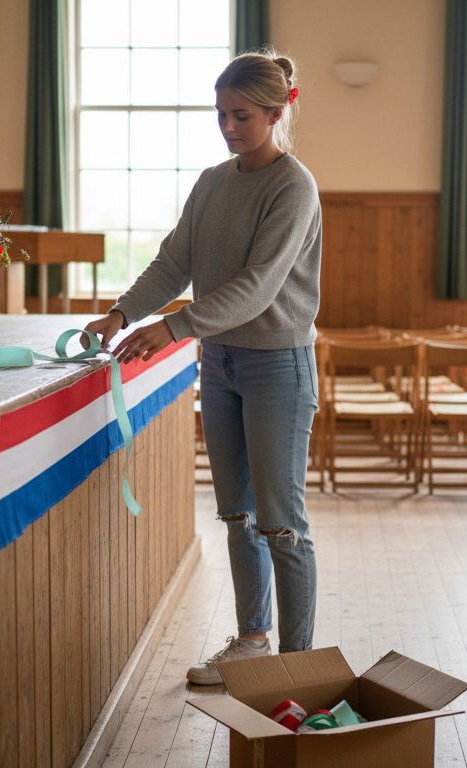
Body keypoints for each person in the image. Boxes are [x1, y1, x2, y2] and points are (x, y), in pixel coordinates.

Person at [84, 50, 321, 686]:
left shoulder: (293, 187)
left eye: (242, 116)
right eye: (221, 115)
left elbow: (259, 286)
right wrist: (121, 314)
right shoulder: (213, 182)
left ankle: (299, 668)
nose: (229, 127)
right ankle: (251, 642)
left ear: (276, 113)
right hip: (219, 363)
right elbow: (173, 262)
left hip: (277, 367)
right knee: (237, 514)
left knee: (281, 523)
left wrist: (173, 326)